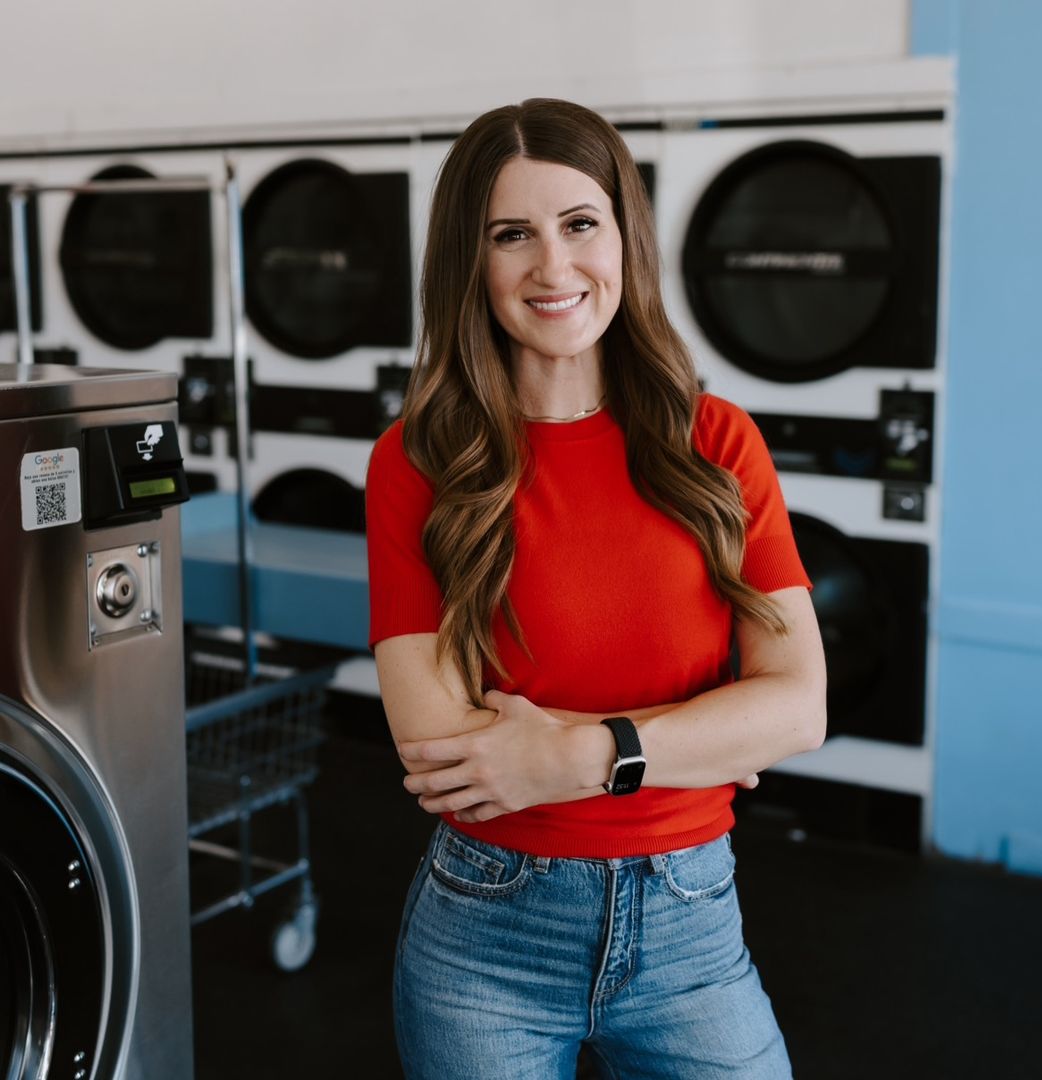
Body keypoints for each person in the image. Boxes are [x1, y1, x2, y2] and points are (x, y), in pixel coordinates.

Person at [365, 98, 826, 1080]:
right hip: (487, 937)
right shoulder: (417, 464)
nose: (554, 267)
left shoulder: (718, 444)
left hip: (693, 928)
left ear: (626, 237)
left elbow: (799, 707)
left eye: (581, 223)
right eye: (511, 235)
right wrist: (698, 734)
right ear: (469, 262)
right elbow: (439, 749)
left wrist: (577, 754)